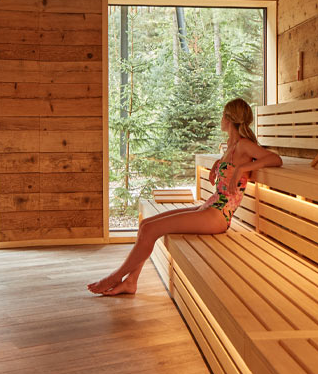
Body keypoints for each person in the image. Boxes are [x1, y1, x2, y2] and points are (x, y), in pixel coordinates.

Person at [88, 98, 282, 296]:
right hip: (211, 206)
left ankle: (115, 276)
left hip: (219, 215)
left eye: (222, 115)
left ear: (229, 118)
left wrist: (242, 168)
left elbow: (275, 159)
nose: (220, 119)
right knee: (146, 225)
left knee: (151, 229)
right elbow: (231, 168)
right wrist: (219, 164)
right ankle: (131, 281)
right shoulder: (230, 147)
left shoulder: (244, 145)